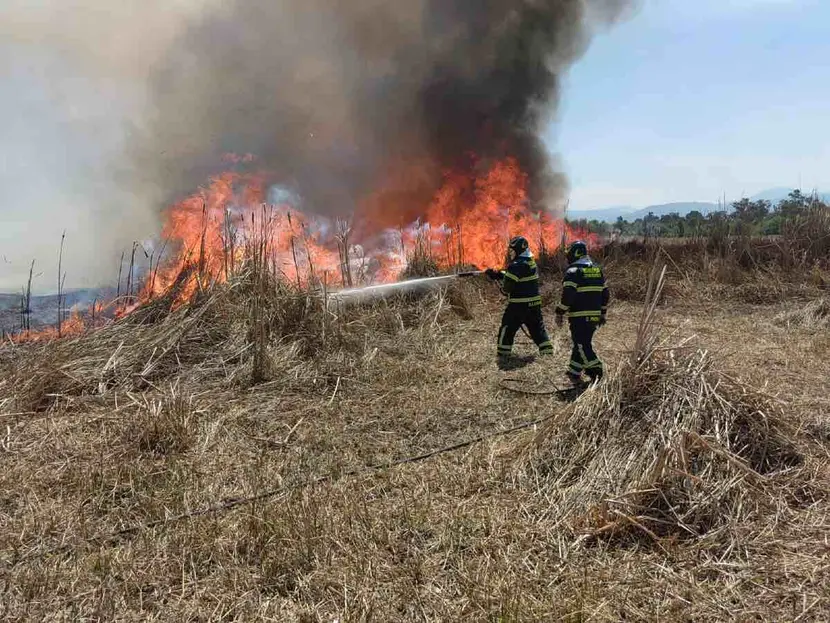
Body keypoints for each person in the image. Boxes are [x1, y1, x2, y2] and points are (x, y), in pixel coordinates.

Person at [485, 236, 554, 369]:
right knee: (537, 329)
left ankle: (503, 354)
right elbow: (517, 274)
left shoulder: (516, 265)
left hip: (518, 305)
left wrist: (498, 280)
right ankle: (547, 351)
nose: (511, 253)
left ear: (517, 250)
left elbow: (506, 289)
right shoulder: (530, 261)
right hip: (534, 304)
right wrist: (499, 274)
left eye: (512, 250)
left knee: (507, 327)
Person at [554, 240, 610, 386]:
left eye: (569, 253)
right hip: (594, 316)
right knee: (582, 342)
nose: (567, 256)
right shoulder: (597, 270)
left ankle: (598, 372)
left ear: (575, 253)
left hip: (579, 316)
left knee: (581, 345)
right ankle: (574, 371)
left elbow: (568, 296)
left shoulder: (573, 272)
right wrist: (602, 313)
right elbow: (605, 294)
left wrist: (560, 311)